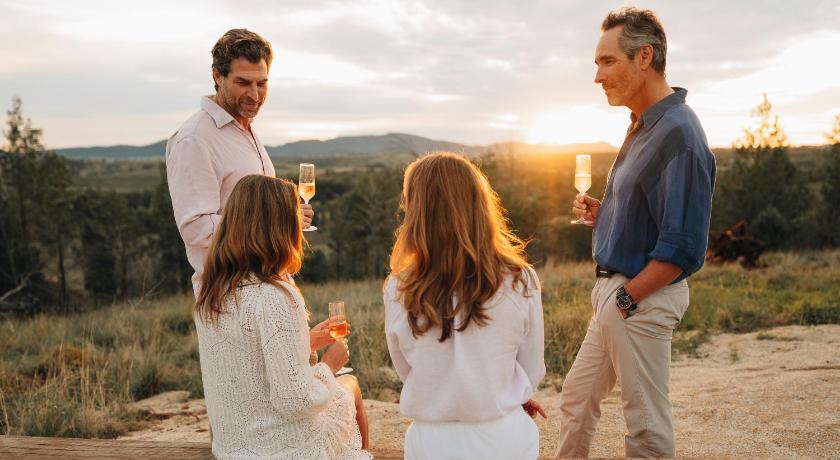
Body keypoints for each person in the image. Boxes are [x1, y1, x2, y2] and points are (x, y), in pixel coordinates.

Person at [557, 8, 716, 458]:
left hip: (639, 298)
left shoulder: (679, 133)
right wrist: (607, 212)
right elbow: (652, 214)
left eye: (608, 62)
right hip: (618, 297)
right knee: (576, 400)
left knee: (645, 427)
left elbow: (683, 246)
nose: (598, 76)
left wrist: (626, 300)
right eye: (597, 64)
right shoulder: (644, 124)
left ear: (644, 56)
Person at [384, 152, 547, 460]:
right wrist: (507, 394)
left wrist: (446, 395)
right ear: (479, 204)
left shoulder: (399, 285)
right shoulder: (520, 278)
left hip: (432, 442)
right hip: (502, 437)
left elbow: (406, 368)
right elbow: (531, 367)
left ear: (418, 211)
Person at [193, 174, 370, 459]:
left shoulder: (211, 292)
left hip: (231, 448)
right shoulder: (275, 296)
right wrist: (329, 365)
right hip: (283, 450)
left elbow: (247, 359)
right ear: (281, 228)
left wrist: (306, 342)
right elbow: (296, 400)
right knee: (350, 385)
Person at [166, 28, 314, 296]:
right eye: (243, 83)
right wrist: (275, 221)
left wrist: (289, 215)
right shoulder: (194, 139)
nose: (255, 95)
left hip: (269, 286)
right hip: (231, 295)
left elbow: (255, 208)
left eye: (262, 83)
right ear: (217, 76)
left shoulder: (245, 129)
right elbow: (196, 229)